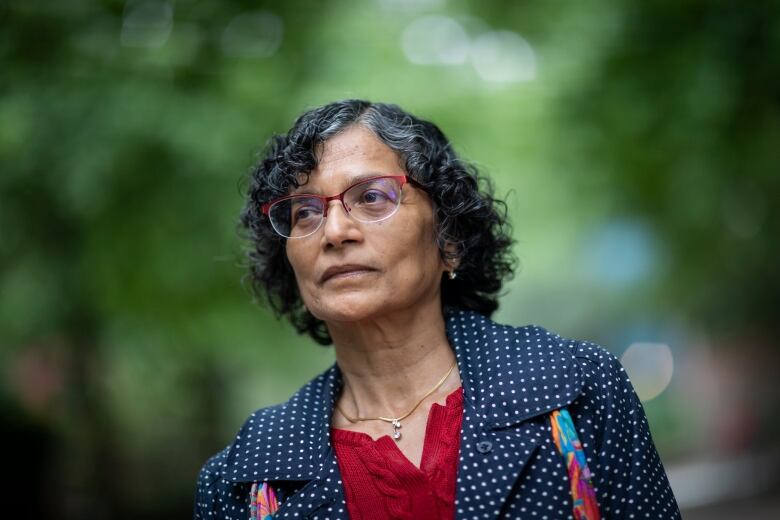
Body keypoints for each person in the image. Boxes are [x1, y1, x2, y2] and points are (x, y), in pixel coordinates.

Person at [193, 100, 680, 520]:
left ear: (448, 240)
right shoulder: (245, 481)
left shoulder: (574, 390)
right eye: (306, 211)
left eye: (371, 197)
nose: (335, 231)